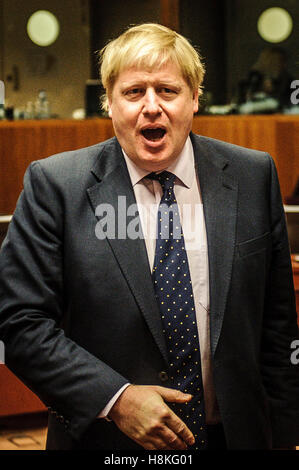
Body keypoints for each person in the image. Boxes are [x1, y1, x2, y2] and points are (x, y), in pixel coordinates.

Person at [0, 23, 298, 451]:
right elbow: (20, 324)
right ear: (109, 103)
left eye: (168, 90)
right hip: (108, 444)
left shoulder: (253, 175)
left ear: (195, 98)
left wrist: (287, 436)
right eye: (134, 92)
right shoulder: (55, 185)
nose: (151, 107)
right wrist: (115, 399)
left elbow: (277, 328)